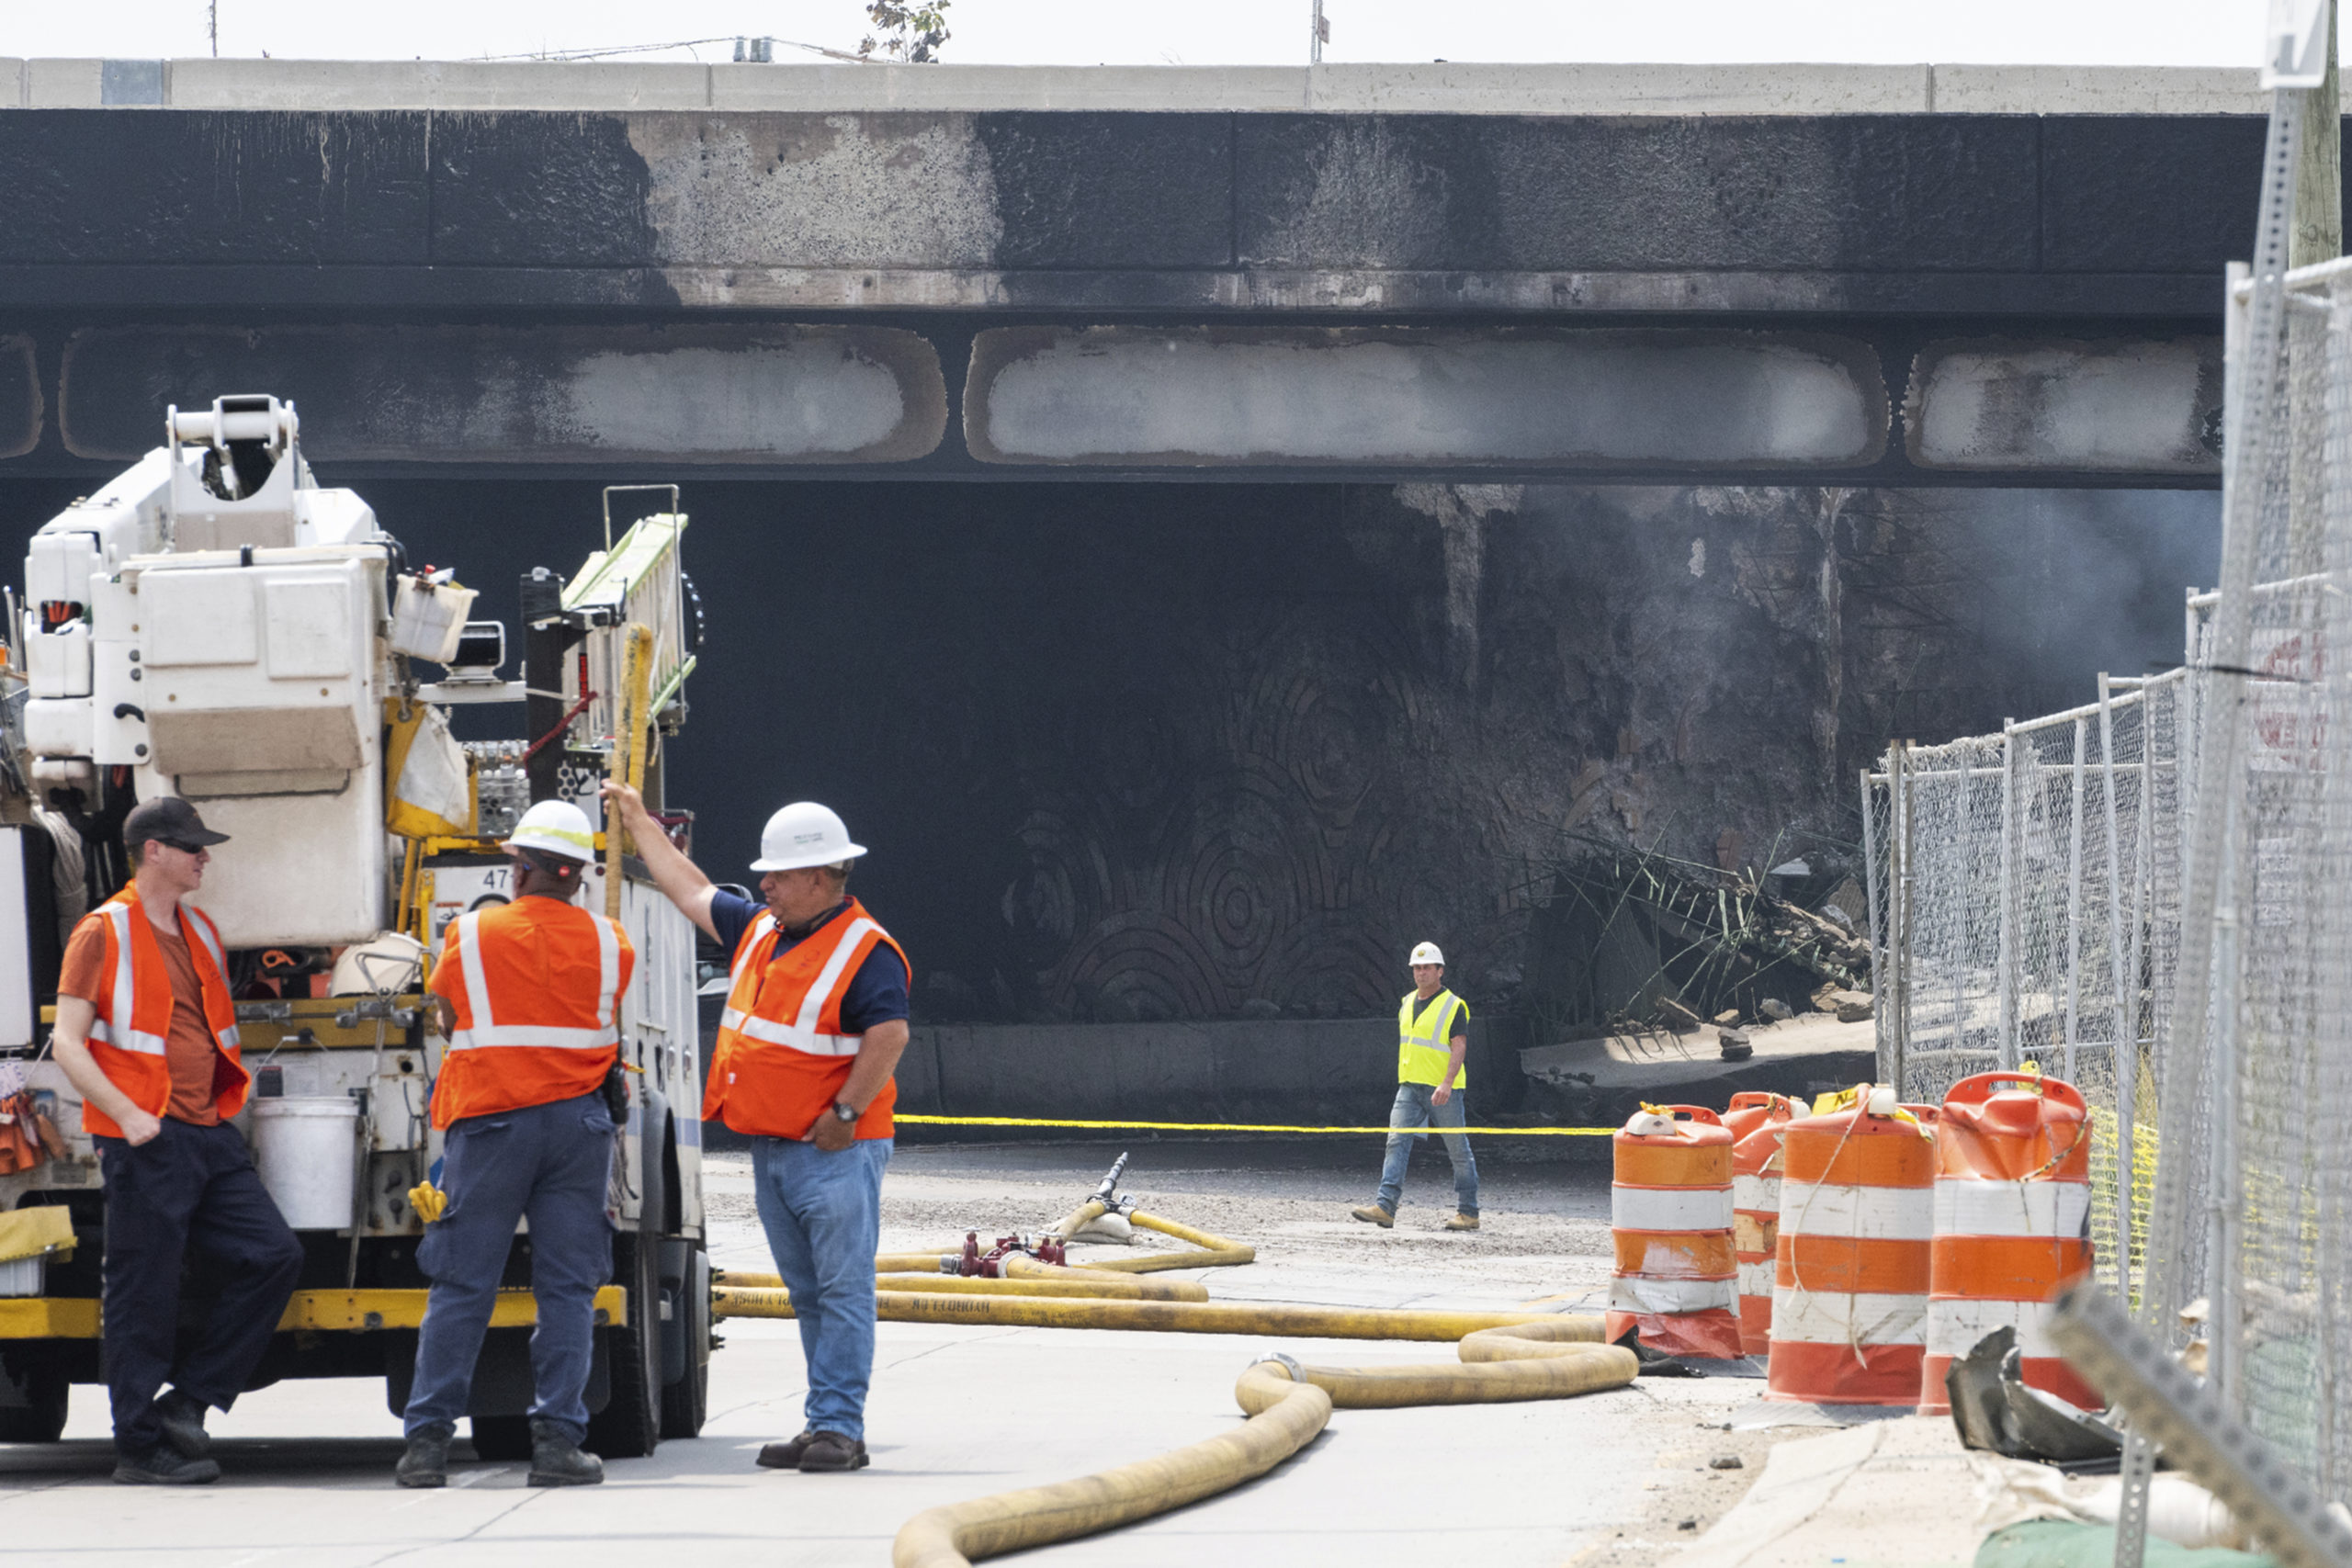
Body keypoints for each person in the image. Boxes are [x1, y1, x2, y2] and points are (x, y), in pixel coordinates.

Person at [603, 783, 908, 1473]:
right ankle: (824, 1419)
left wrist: (845, 1115)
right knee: (809, 1293)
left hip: (834, 1149)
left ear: (822, 876)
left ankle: (838, 1426)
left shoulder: (866, 950)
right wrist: (640, 825)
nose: (764, 882)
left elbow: (889, 1034)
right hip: (777, 1149)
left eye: (778, 873)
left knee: (841, 1289)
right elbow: (689, 890)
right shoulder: (763, 930)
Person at [47, 796, 303, 1485]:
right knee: (143, 1292)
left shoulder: (200, 930)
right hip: (146, 1136)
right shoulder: (103, 931)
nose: (205, 857)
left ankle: (188, 1401)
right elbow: (68, 1043)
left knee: (275, 1255)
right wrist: (126, 1114)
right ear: (153, 850)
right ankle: (137, 1447)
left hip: (207, 1130)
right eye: (192, 847)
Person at [395, 800, 635, 1490]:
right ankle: (559, 1442)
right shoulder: (611, 940)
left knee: (463, 1283)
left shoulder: (469, 935)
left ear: (519, 866)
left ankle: (427, 1445)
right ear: (579, 875)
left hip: (493, 1124)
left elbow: (449, 1015)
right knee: (567, 1287)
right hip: (577, 1129)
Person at [1351, 941, 1479, 1232]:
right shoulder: (1407, 1002)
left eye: (1427, 968)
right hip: (1408, 1087)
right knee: (1396, 1143)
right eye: (1417, 968)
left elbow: (1459, 1047)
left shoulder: (1454, 1006)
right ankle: (1385, 1207)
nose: (1421, 973)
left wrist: (1447, 1083)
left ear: (1440, 971)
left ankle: (1469, 1212)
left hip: (1442, 1090)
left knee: (1458, 1150)